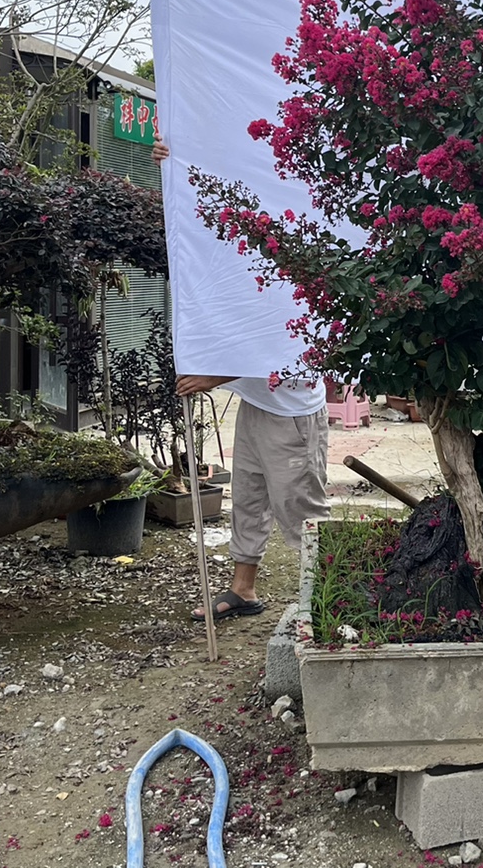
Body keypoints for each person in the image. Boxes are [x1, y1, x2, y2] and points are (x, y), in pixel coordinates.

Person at [152, 139, 330, 622]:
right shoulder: (249, 246)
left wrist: (212, 375)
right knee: (248, 498)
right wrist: (177, 169)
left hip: (291, 411)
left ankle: (329, 598)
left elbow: (287, 349)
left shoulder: (306, 262)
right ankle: (243, 591)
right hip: (258, 404)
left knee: (301, 507)